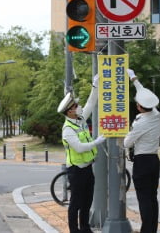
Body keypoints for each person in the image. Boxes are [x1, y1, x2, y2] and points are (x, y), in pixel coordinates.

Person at [57, 74, 106, 233]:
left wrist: (95, 85)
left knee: (87, 201)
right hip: (76, 170)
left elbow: (92, 102)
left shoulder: (80, 119)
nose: (78, 106)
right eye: (75, 105)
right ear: (69, 111)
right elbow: (79, 147)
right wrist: (97, 142)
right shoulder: (68, 130)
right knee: (76, 203)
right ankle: (74, 230)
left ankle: (85, 228)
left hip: (87, 168)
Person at [124, 69, 160, 233]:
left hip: (142, 162)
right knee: (152, 198)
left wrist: (128, 132)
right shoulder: (155, 114)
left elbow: (126, 142)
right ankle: (152, 229)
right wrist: (134, 78)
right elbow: (144, 94)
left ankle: (146, 230)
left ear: (139, 107)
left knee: (144, 199)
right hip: (154, 161)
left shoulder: (140, 124)